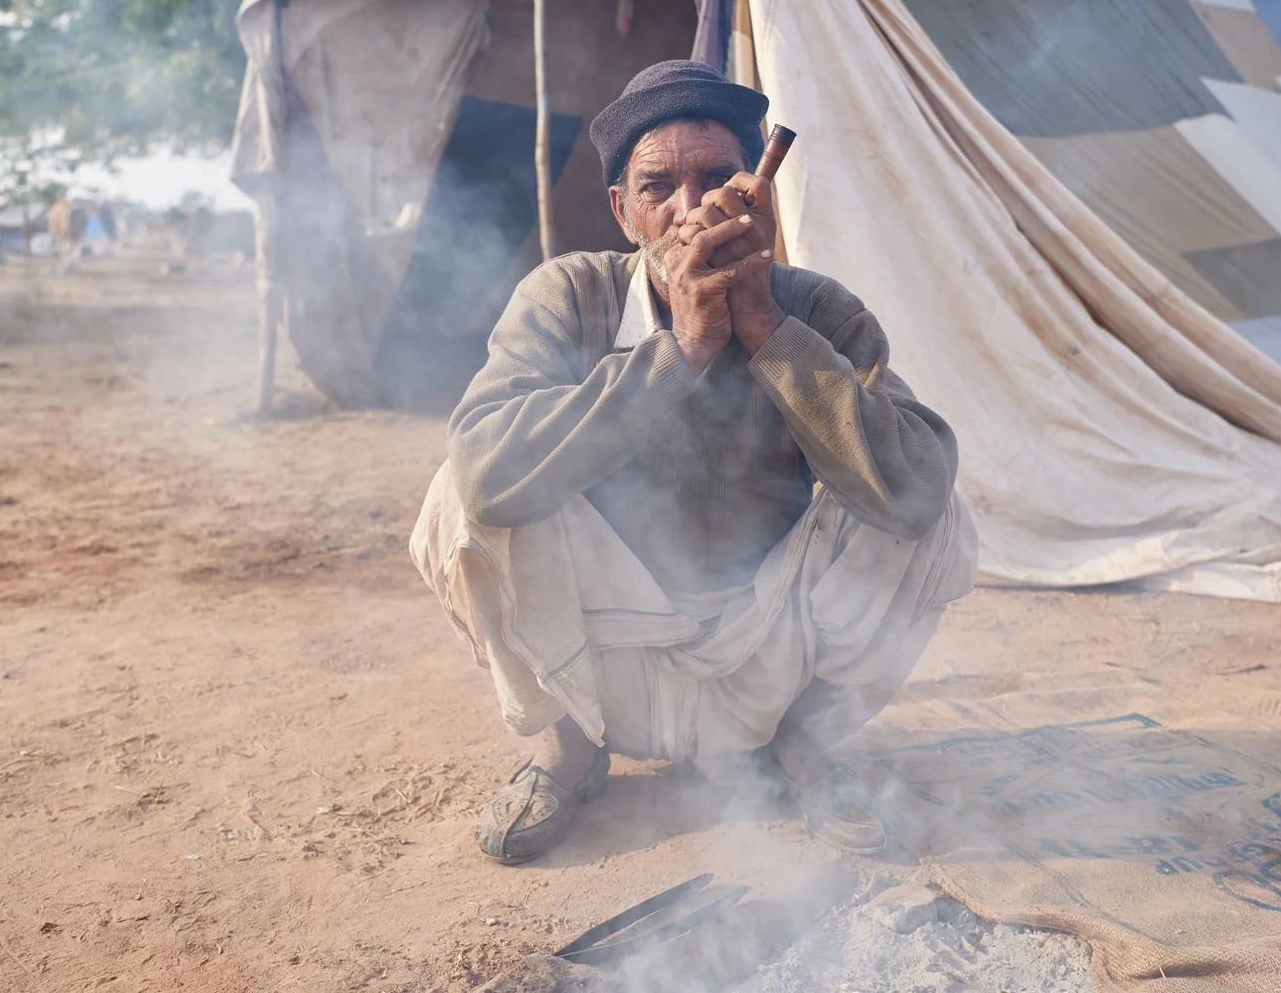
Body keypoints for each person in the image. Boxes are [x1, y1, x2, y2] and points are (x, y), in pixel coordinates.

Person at [410, 59, 976, 865]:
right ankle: (567, 753)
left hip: (769, 655)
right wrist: (680, 348)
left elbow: (914, 494)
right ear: (622, 210)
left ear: (761, 192)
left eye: (718, 178)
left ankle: (807, 751)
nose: (688, 209)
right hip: (605, 653)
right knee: (458, 495)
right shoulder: (569, 295)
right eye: (657, 187)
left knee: (936, 500)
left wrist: (767, 327)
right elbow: (488, 474)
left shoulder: (817, 308)